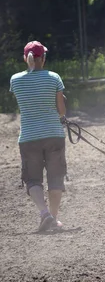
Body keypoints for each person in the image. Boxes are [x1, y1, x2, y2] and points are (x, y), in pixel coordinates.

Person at [9, 41, 68, 232]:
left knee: (33, 179)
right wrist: (63, 115)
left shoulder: (15, 80)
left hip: (29, 137)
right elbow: (61, 110)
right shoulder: (54, 78)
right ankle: (54, 218)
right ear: (43, 58)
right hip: (53, 134)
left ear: (25, 59)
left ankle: (45, 214)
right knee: (55, 177)